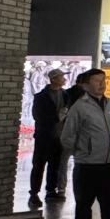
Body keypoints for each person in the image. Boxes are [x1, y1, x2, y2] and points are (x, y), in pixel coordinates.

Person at [60, 68, 110, 219]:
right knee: (84, 205)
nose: (102, 84)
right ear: (86, 85)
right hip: (87, 166)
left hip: (109, 164)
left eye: (103, 80)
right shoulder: (79, 107)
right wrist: (83, 152)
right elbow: (67, 137)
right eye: (96, 81)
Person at [30, 68, 69, 206]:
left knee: (55, 165)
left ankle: (51, 191)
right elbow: (37, 116)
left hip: (59, 137)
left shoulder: (65, 95)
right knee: (39, 165)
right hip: (44, 137)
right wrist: (56, 118)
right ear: (53, 79)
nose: (64, 79)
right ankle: (34, 193)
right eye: (61, 77)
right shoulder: (41, 97)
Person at [56, 71, 89, 198]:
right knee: (80, 162)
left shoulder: (66, 93)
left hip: (67, 131)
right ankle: (82, 188)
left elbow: (61, 113)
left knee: (63, 162)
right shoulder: (87, 97)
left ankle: (61, 189)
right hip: (81, 133)